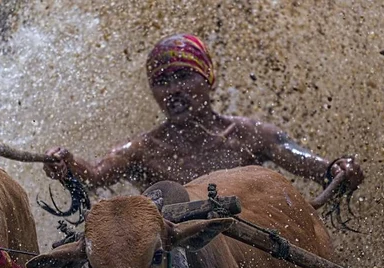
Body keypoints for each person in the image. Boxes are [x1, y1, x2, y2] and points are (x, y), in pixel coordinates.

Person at [44, 33, 364, 205]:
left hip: (253, 255)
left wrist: (337, 168)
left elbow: (311, 165)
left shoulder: (253, 135)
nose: (174, 90)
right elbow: (96, 175)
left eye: (184, 76)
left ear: (208, 79)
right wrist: (67, 164)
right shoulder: (142, 149)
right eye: (163, 81)